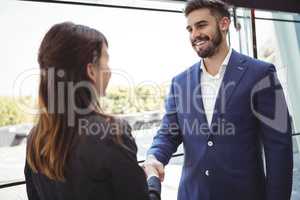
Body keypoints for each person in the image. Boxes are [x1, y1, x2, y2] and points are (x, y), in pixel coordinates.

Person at [143, 1, 293, 200]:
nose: (194, 34)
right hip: (192, 195)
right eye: (190, 28)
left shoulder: (261, 73)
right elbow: (168, 133)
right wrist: (154, 157)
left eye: (201, 25)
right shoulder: (180, 82)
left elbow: (279, 148)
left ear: (224, 23)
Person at [24, 22, 161, 200]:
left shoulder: (34, 138)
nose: (110, 71)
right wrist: (152, 178)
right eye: (107, 61)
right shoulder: (112, 133)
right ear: (91, 70)